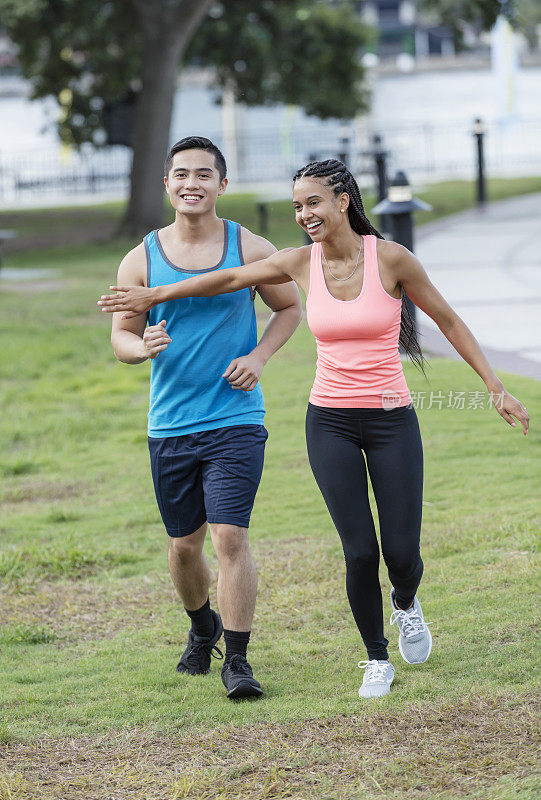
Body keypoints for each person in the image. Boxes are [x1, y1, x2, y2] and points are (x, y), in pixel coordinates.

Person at [99, 159, 529, 700]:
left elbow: (447, 319)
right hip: (328, 420)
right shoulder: (300, 263)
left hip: (392, 418)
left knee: (401, 551)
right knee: (357, 550)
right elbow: (230, 278)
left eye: (313, 203)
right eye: (297, 206)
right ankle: (375, 657)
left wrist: (493, 384)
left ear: (343, 200)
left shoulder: (391, 259)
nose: (304, 215)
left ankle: (405, 602)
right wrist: (156, 296)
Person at [106, 136, 302, 699]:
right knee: (184, 547)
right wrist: (141, 347)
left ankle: (236, 660)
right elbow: (120, 337)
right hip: (170, 425)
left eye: (204, 174)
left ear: (222, 184)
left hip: (235, 418)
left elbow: (290, 307)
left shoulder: (248, 244)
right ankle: (202, 627)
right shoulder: (141, 258)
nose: (192, 183)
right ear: (166, 184)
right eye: (181, 174)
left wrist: (258, 357)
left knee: (230, 538)